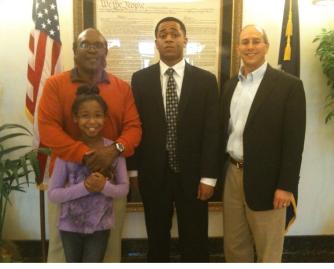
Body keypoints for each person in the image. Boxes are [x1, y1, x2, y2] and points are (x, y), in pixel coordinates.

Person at [38, 28, 141, 262]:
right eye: (85, 44)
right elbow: (48, 130)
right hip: (65, 181)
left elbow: (134, 129)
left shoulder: (121, 87)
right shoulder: (55, 84)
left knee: (108, 249)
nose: (92, 49)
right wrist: (88, 155)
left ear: (106, 51)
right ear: (74, 51)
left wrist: (113, 151)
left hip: (110, 178)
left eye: (98, 45)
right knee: (62, 252)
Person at [128, 17, 219, 262]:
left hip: (194, 175)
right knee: (157, 238)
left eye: (174, 33)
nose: (169, 38)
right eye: (163, 34)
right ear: (156, 42)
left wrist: (209, 176)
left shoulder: (206, 81)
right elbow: (134, 126)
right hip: (153, 174)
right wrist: (133, 171)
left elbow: (213, 131)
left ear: (185, 40)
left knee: (195, 238)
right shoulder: (140, 79)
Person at [219, 24, 306, 262]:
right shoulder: (229, 86)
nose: (250, 46)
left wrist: (286, 186)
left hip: (269, 182)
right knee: (235, 247)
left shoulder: (289, 86)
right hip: (233, 175)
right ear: (238, 48)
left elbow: (294, 141)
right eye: (245, 42)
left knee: (268, 250)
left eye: (256, 41)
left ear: (266, 46)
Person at [48, 85, 129, 262]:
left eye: (98, 115)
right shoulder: (68, 152)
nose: (92, 121)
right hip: (70, 226)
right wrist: (85, 187)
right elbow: (53, 194)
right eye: (85, 116)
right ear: (75, 118)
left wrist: (104, 186)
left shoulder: (113, 151)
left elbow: (123, 189)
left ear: (105, 117)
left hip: (100, 226)